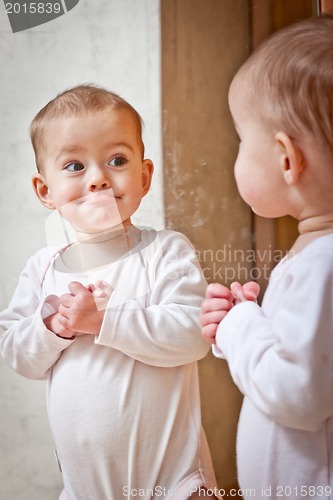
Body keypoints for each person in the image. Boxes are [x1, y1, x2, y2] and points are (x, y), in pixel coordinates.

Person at [0, 84, 220, 500]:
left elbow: (193, 334)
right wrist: (53, 327)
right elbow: (16, 353)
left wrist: (104, 320)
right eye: (74, 166)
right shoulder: (42, 268)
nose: (99, 178)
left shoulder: (165, 251)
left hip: (174, 482)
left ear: (144, 176)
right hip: (85, 489)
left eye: (116, 160)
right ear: (45, 191)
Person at [201, 15, 333, 500]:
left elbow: (297, 391)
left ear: (285, 158)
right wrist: (245, 322)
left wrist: (239, 328)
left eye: (241, 139)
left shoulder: (323, 266)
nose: (237, 153)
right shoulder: (317, 257)